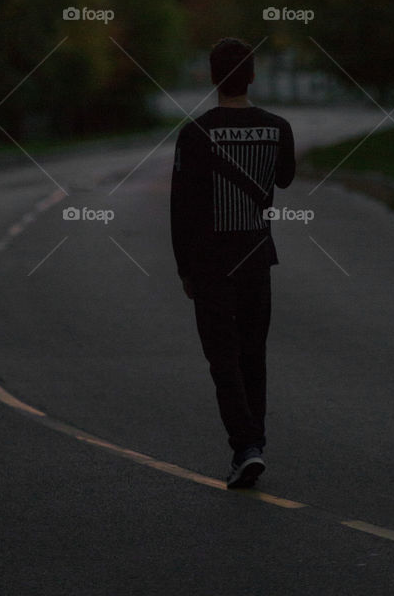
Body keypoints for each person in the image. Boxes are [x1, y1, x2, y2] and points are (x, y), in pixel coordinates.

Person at [170, 38, 295, 488]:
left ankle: (246, 446)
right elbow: (285, 177)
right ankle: (253, 443)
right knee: (252, 354)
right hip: (257, 259)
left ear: (212, 77)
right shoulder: (277, 127)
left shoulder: (194, 134)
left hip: (211, 264)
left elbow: (181, 209)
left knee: (222, 358)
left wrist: (185, 269)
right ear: (253, 76)